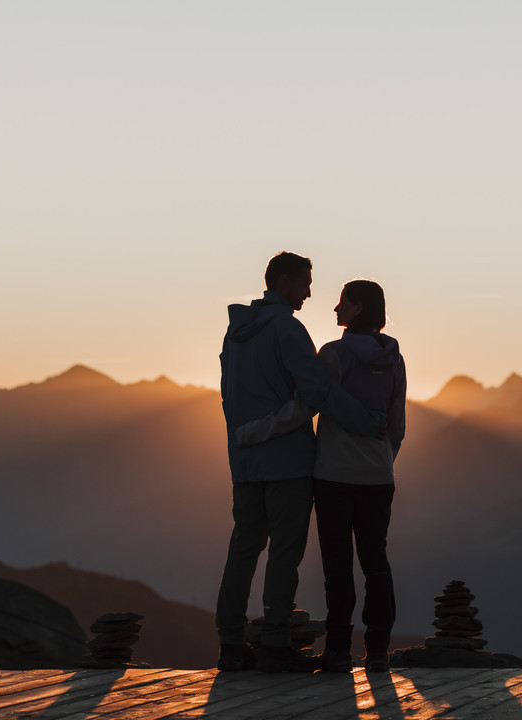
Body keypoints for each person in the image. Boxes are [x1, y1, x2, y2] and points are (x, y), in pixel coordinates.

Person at [216, 253, 387, 674]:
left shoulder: (235, 333)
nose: (310, 292)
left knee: (243, 550)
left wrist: (245, 436)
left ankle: (231, 643)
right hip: (288, 461)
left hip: (245, 462)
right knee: (284, 554)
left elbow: (227, 393)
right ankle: (276, 644)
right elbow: (315, 392)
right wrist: (367, 422)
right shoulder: (288, 329)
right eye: (305, 282)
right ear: (285, 281)